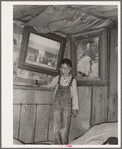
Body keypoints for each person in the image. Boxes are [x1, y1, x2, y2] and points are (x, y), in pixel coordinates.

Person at [43, 58, 79, 144]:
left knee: (65, 126)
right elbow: (50, 85)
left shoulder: (73, 80)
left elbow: (75, 95)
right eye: (63, 68)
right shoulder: (57, 78)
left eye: (67, 68)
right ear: (60, 69)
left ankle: (64, 143)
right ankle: (57, 143)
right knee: (56, 125)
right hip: (57, 105)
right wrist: (42, 85)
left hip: (67, 106)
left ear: (70, 69)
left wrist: (75, 108)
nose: (65, 70)